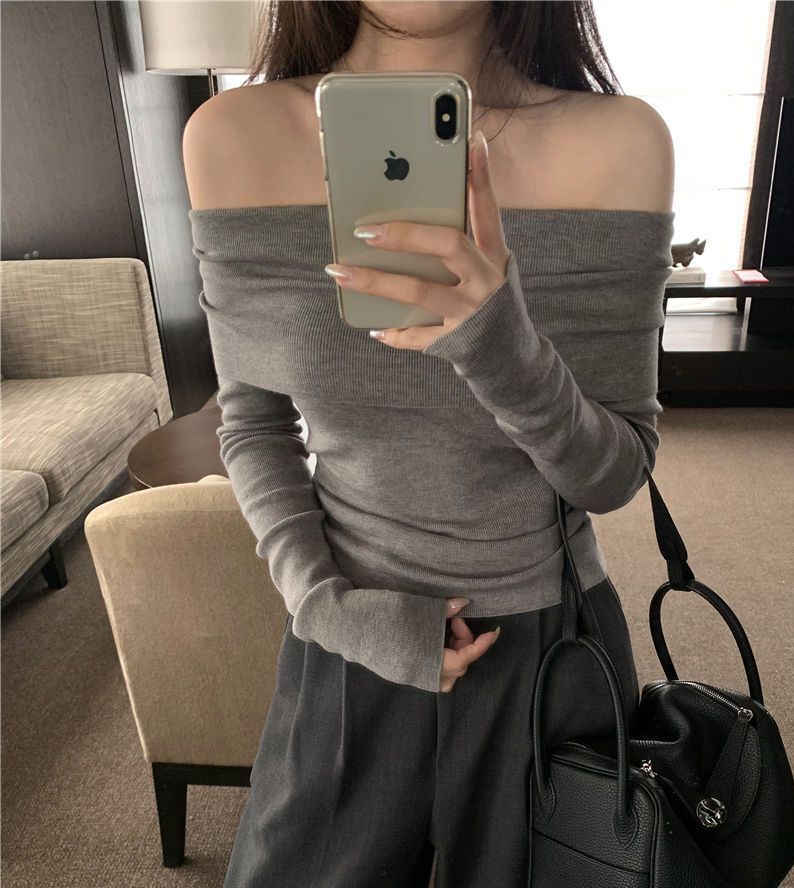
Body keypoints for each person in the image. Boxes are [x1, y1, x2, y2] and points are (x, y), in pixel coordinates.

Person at [183, 2, 675, 886]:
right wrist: (323, 604)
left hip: (549, 649)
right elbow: (252, 423)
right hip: (346, 635)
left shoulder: (622, 144)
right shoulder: (233, 138)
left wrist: (498, 346)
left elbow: (612, 473)